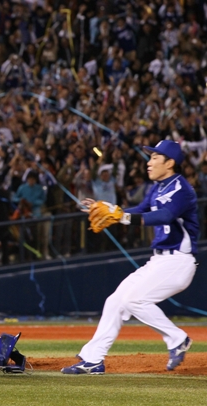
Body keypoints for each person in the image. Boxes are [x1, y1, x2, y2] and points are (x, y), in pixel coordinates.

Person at [61, 140, 197, 375]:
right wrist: (113, 211)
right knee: (115, 301)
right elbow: (142, 210)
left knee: (135, 300)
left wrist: (121, 217)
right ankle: (93, 360)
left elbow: (165, 216)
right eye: (150, 157)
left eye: (155, 157)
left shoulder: (182, 189)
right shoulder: (157, 187)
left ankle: (177, 339)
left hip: (179, 261)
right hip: (159, 260)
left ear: (170, 163)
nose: (149, 162)